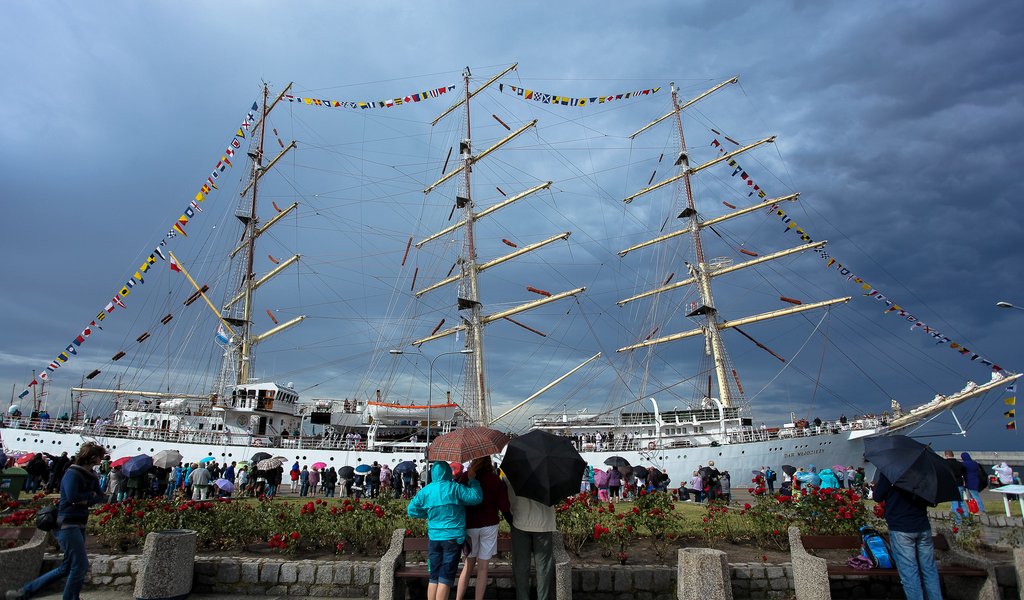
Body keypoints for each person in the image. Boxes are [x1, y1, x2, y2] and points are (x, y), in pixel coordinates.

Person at [6, 442, 106, 600]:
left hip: (79, 522)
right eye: (100, 457)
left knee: (67, 566)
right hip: (66, 523)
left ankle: (25, 592)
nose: (102, 460)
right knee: (80, 565)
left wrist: (86, 499)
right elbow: (72, 497)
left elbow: (100, 496)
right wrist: (89, 497)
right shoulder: (73, 473)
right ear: (92, 457)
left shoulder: (91, 476)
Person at [407, 461, 483, 600]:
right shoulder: (455, 488)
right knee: (445, 578)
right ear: (448, 472)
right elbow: (475, 497)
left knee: (434, 577)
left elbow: (411, 510)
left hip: (434, 538)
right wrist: (473, 481)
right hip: (452, 538)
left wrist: (428, 514)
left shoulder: (427, 490)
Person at [872, 472, 942, 600]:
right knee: (929, 570)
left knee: (909, 572)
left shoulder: (892, 470)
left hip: (901, 526)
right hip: (922, 525)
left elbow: (877, 496)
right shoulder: (924, 471)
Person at [455, 457, 510, 600]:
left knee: (468, 566)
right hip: (489, 525)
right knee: (483, 567)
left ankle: (458, 598)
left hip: (470, 525)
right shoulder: (494, 479)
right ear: (488, 462)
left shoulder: (465, 477)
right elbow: (504, 505)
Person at [503, 469, 557, 600]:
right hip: (544, 522)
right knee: (543, 568)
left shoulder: (513, 471)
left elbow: (507, 498)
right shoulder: (550, 473)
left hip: (520, 521)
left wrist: (511, 515)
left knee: (521, 567)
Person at [943, 451, 966, 518]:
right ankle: (966, 517)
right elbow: (963, 473)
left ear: (946, 455)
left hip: (952, 484)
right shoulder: (960, 464)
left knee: (954, 502)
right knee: (961, 501)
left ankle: (957, 519)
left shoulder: (946, 464)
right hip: (960, 483)